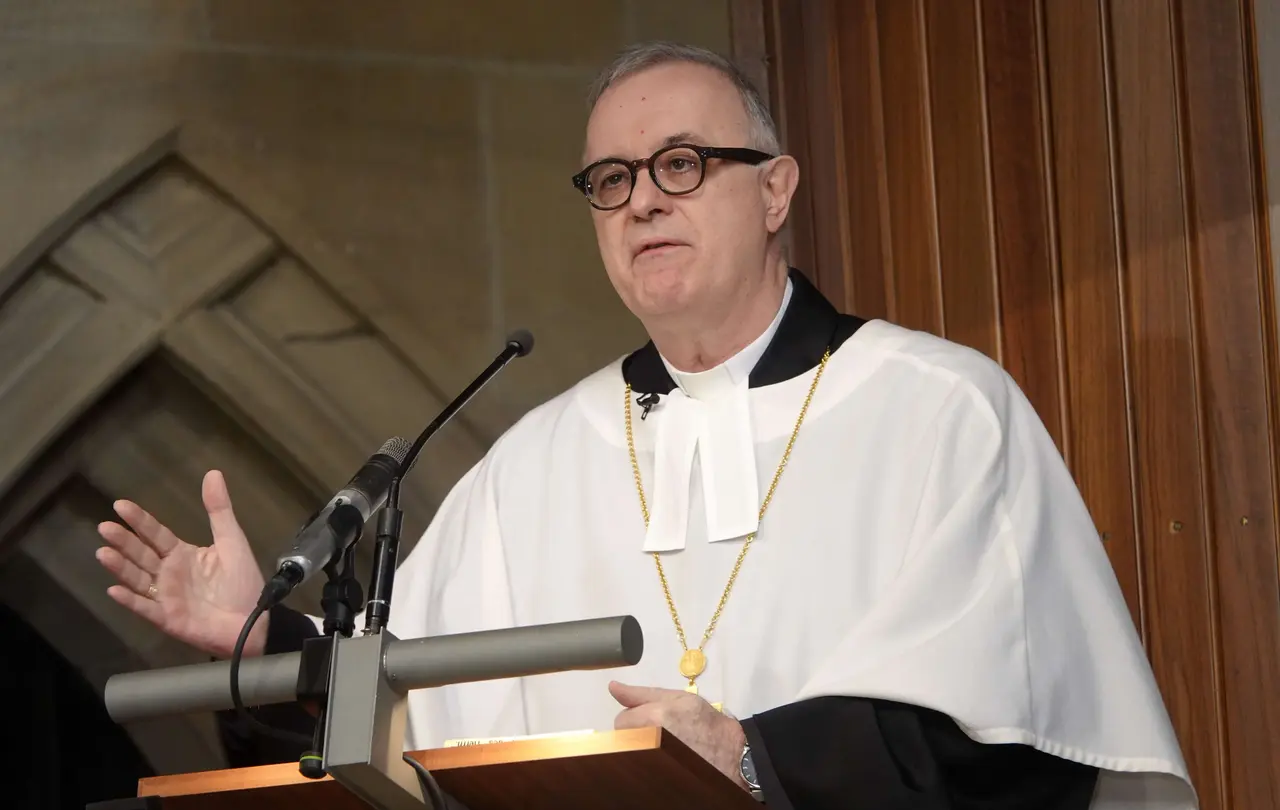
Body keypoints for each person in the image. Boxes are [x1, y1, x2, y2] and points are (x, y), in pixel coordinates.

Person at [95, 41, 1196, 809]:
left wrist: (753, 756)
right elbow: (396, 723)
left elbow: (1018, 741)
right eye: (611, 179)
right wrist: (267, 643)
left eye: (680, 164)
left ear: (773, 191)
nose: (641, 202)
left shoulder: (938, 410)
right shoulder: (533, 463)